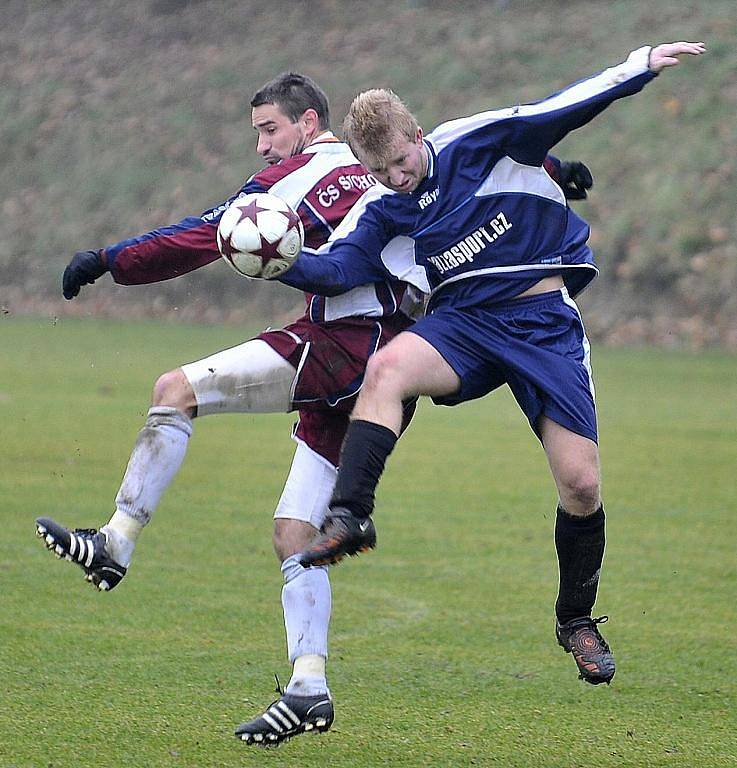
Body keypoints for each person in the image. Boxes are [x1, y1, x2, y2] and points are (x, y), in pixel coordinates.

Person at [35, 70, 593, 743]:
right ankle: (308, 688)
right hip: (393, 362)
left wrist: (108, 260)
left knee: (174, 390)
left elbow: (202, 235)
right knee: (296, 536)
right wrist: (558, 168)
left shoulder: (304, 177)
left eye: (269, 129)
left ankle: (114, 544)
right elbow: (479, 161)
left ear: (308, 125)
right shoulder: (401, 166)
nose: (263, 147)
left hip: (344, 344)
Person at [262, 42, 706, 687]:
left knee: (581, 485)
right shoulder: (383, 202)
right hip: (465, 324)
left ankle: (575, 620)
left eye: (401, 162)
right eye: (379, 170)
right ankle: (351, 516)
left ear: (418, 135)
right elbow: (338, 269)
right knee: (387, 370)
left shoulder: (479, 141)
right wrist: (277, 259)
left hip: (543, 324)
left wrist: (639, 66)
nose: (395, 178)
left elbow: (566, 107)